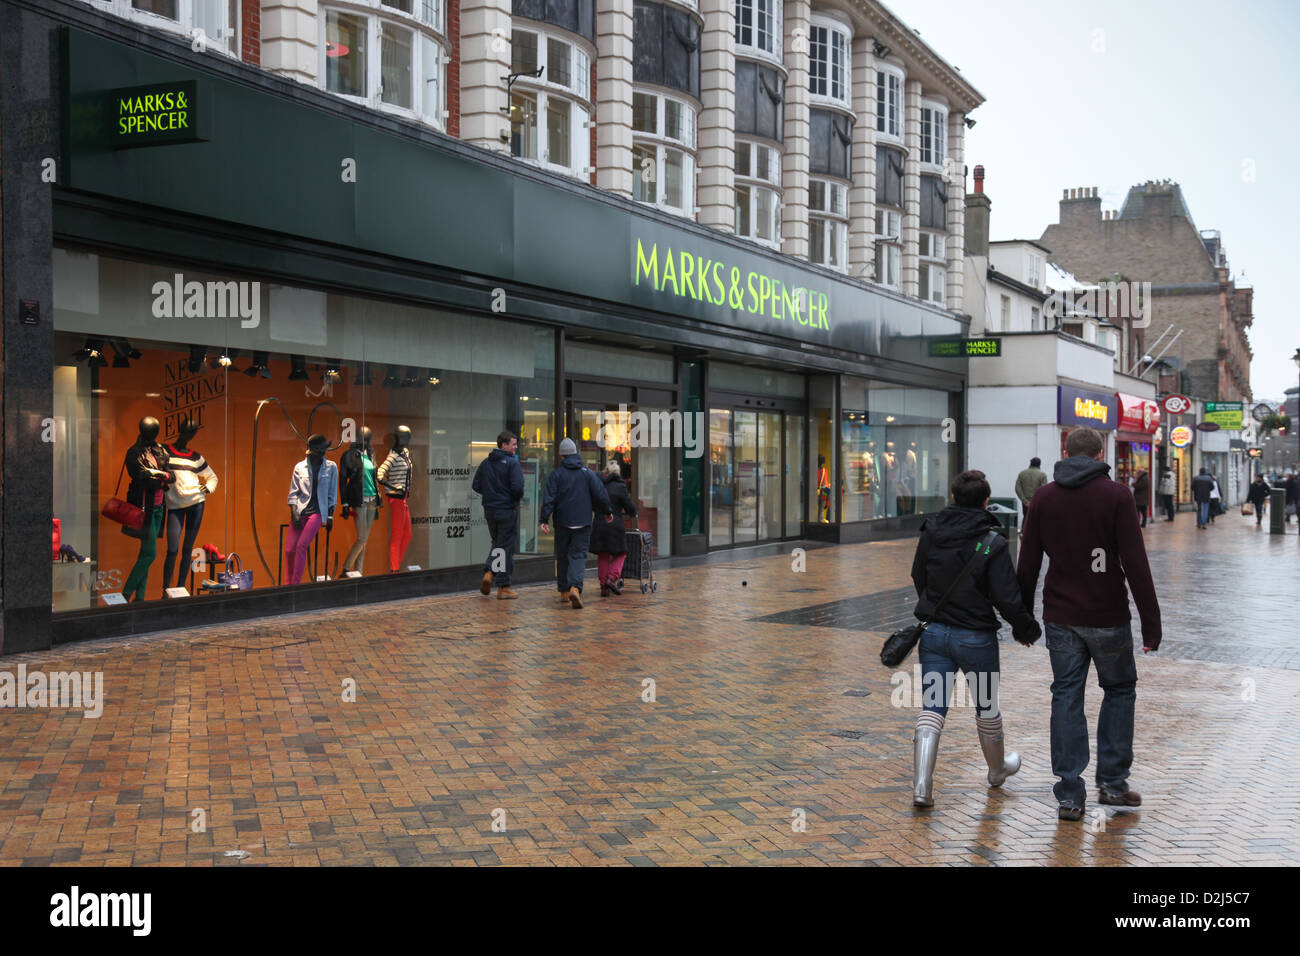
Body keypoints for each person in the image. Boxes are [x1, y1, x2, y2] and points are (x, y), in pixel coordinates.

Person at [1017, 426, 1161, 821]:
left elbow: (1028, 562)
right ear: (1100, 454)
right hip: (1108, 615)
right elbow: (1135, 562)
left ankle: (1069, 793)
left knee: (1066, 696)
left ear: (1066, 452)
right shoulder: (1116, 495)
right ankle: (1112, 784)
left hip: (1061, 617)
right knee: (1119, 691)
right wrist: (1152, 624)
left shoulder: (1044, 497)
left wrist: (1023, 620)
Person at [908, 469, 1042, 808]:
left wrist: (935, 606)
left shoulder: (932, 531)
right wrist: (1026, 629)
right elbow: (1007, 597)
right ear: (986, 501)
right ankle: (997, 770)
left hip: (935, 634)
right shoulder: (991, 542)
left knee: (932, 707)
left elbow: (917, 574)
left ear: (953, 497)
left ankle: (922, 785)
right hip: (976, 640)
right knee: (986, 705)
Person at [540, 437, 613, 609]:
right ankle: (575, 587)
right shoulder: (587, 473)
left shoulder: (556, 475)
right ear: (576, 453)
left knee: (563, 556)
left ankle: (564, 592)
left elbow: (549, 498)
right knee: (578, 556)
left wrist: (544, 519)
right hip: (583, 522)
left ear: (561, 456)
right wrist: (607, 511)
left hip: (562, 522)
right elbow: (600, 494)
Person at [473, 430, 524, 600]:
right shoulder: (512, 463)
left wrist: (490, 494)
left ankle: (502, 585)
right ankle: (492, 574)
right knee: (504, 546)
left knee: (499, 544)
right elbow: (517, 489)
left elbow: (476, 485)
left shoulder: (486, 463)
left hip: (490, 510)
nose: (516, 447)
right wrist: (510, 498)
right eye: (513, 444)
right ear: (504, 445)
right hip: (507, 510)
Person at [285, 434, 338, 585]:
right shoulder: (300, 467)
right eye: (320, 450)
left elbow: (332, 495)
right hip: (301, 510)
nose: (323, 452)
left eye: (324, 449)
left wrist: (330, 517)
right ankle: (287, 585)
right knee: (289, 549)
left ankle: (295, 584)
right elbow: (293, 493)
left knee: (301, 546)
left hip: (317, 512)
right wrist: (294, 513)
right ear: (312, 450)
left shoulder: (331, 467)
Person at [590, 460, 639, 597]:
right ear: (618, 473)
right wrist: (633, 512)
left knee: (603, 554)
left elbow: (593, 503)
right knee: (621, 553)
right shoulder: (620, 486)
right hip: (615, 524)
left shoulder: (598, 484)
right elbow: (629, 506)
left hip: (599, 523)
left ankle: (603, 587)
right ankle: (612, 578)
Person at [1014, 457, 1048, 524]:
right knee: (1037, 521)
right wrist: (1035, 501)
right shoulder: (1042, 475)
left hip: (1025, 503)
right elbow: (1043, 490)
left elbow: (1017, 488)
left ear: (1030, 463)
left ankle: (1023, 533)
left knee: (1026, 518)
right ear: (1039, 464)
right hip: (1037, 503)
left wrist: (1025, 501)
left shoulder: (1022, 473)